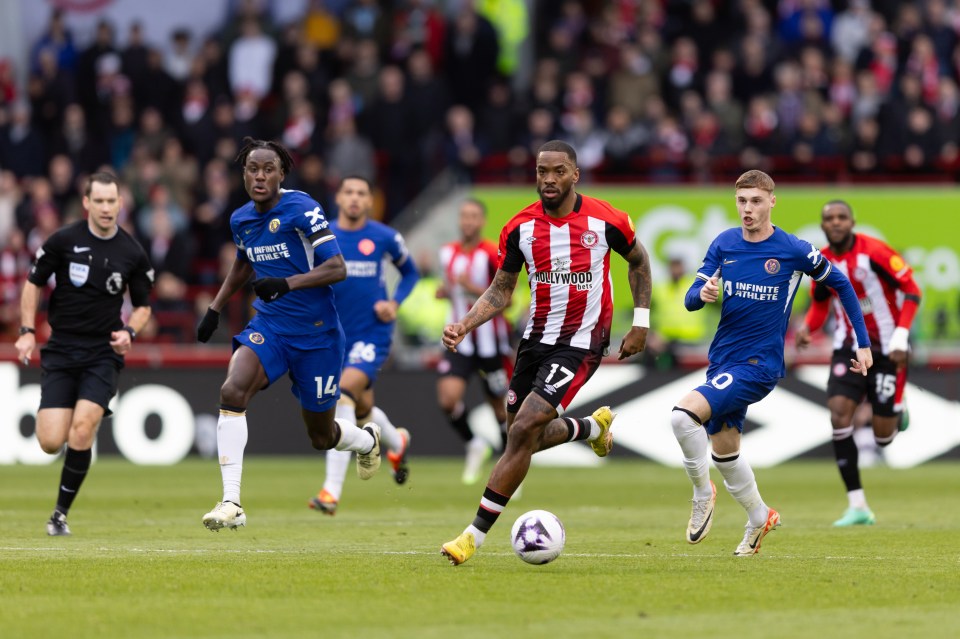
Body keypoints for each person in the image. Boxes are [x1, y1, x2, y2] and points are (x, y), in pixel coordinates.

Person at [440, 140, 652, 566]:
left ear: (575, 174)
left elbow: (639, 261)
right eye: (542, 172)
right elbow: (502, 290)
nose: (548, 180)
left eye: (557, 171)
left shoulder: (606, 219)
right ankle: (591, 429)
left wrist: (641, 322)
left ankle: (471, 537)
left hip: (582, 342)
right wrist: (464, 324)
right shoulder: (519, 228)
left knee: (520, 434)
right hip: (534, 341)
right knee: (522, 432)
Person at [672, 170, 873, 557]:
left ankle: (701, 493)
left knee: (682, 417)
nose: (748, 209)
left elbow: (842, 284)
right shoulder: (724, 243)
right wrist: (704, 292)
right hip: (723, 360)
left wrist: (862, 344)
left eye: (756, 201)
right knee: (725, 452)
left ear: (772, 202)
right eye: (742, 201)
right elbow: (691, 298)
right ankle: (759, 516)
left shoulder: (793, 249)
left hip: (760, 364)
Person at [196, 138, 381, 532]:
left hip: (318, 336)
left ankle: (366, 442)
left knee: (321, 436)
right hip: (270, 327)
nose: (260, 176)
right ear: (243, 173)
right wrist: (214, 308)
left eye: (268, 169)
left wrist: (287, 283)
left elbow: (337, 268)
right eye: (252, 169)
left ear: (282, 174)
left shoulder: (302, 208)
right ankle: (232, 501)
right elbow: (244, 264)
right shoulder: (240, 219)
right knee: (232, 392)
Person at [15, 171, 154, 536]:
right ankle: (76, 434)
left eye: (113, 201)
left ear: (121, 203)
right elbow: (32, 284)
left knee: (82, 428)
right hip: (61, 349)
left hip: (102, 352)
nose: (107, 208)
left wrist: (130, 331)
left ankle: (59, 515)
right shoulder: (63, 241)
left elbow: (143, 306)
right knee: (48, 442)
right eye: (100, 201)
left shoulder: (132, 252)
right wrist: (28, 331)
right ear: (87, 203)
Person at [795, 200, 922, 527]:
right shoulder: (820, 260)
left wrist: (902, 336)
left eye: (841, 217)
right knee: (839, 415)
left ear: (852, 222)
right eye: (829, 219)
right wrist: (809, 327)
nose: (835, 223)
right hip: (848, 348)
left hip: (887, 350)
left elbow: (912, 290)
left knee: (883, 437)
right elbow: (820, 303)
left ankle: (897, 408)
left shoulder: (876, 252)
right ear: (823, 225)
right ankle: (857, 505)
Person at [308, 175, 419, 515]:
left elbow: (410, 272)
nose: (355, 199)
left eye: (361, 193)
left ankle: (330, 492)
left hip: (372, 334)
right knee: (361, 409)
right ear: (338, 198)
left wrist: (395, 303)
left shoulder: (384, 237)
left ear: (370, 201)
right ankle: (396, 441)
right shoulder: (321, 235)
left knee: (340, 395)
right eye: (349, 192)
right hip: (332, 335)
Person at [436, 198, 514, 485]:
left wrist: (472, 289)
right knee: (447, 400)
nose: (468, 221)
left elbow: (507, 299)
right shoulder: (447, 253)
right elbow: (449, 288)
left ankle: (509, 466)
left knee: (499, 409)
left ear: (482, 221)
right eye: (464, 216)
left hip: (490, 343)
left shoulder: (493, 253)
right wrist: (446, 292)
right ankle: (475, 443)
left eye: (473, 216)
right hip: (460, 341)